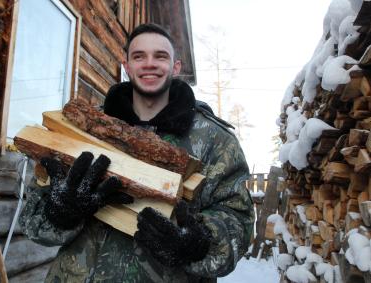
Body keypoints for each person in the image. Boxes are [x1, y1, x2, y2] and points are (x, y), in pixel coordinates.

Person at [19, 23, 254, 282]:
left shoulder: (215, 140)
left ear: (176, 67)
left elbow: (238, 220)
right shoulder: (82, 127)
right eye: (139, 56)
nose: (149, 63)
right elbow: (34, 217)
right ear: (127, 66)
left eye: (160, 56)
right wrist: (59, 212)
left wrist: (197, 244)